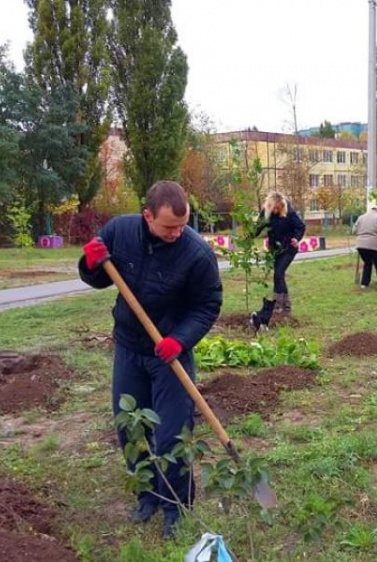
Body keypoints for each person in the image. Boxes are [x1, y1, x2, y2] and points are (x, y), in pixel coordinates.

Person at [78, 181, 223, 538]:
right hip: (129, 347)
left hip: (169, 355)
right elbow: (97, 277)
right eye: (169, 226)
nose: (177, 232)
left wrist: (180, 339)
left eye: (183, 224)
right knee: (130, 425)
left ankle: (176, 506)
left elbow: (208, 305)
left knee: (173, 432)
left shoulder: (196, 253)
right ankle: (148, 495)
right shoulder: (120, 231)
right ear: (147, 216)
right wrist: (90, 264)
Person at [250, 192, 306, 329]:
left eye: (278, 208)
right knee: (278, 276)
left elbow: (301, 227)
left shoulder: (290, 213)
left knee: (279, 273)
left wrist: (296, 238)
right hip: (275, 250)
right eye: (274, 208)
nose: (276, 211)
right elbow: (258, 227)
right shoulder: (266, 212)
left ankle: (279, 304)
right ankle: (285, 308)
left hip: (289, 248)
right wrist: (248, 235)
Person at [352, 204, 377, 289]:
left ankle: (364, 284)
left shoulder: (361, 217)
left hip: (360, 245)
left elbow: (354, 230)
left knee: (367, 263)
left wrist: (361, 234)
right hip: (373, 244)